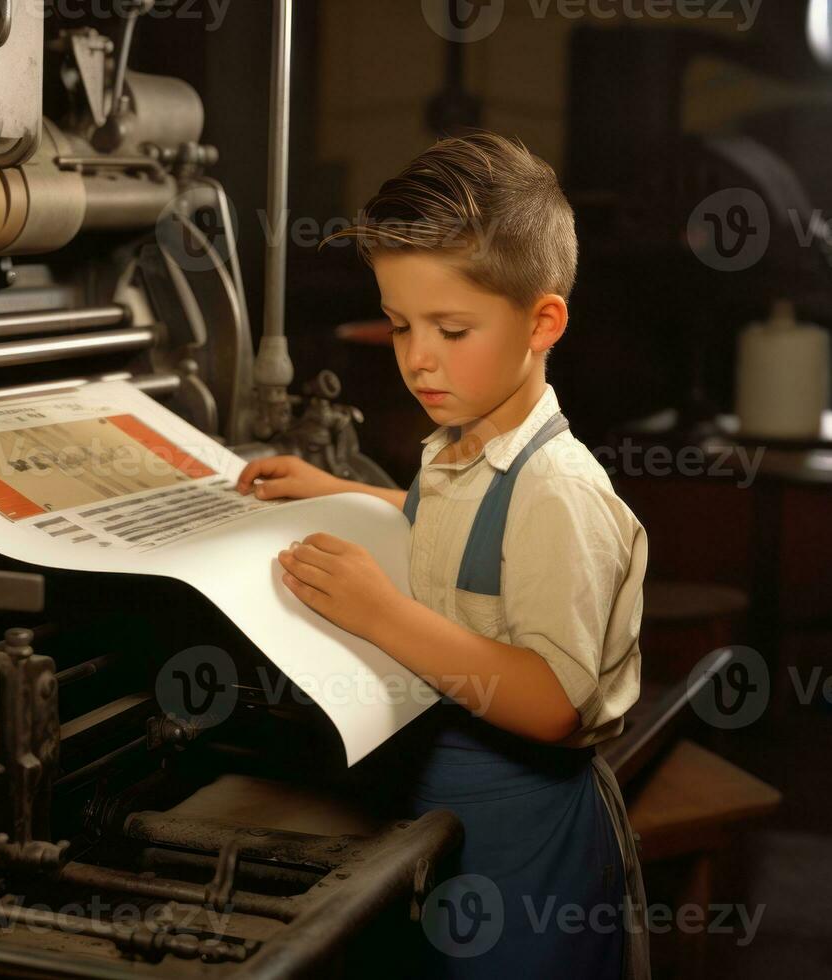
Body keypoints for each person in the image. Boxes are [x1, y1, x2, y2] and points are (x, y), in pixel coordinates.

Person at [236, 131, 651, 979]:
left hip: (526, 828)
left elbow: (549, 705)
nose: (417, 357)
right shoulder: (459, 443)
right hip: (451, 807)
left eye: (450, 329)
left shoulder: (556, 495)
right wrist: (337, 489)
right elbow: (452, 528)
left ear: (542, 322)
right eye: (398, 326)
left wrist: (382, 614)